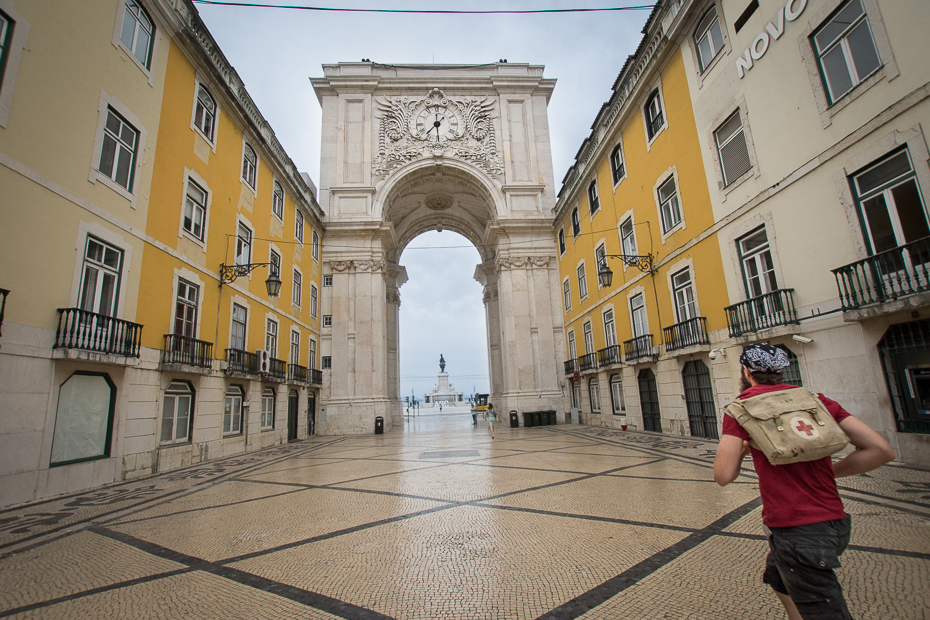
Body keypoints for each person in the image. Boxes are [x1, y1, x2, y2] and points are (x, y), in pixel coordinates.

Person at [714, 343, 895, 620]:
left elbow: (724, 476)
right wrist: (830, 472)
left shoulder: (742, 409)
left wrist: (742, 446)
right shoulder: (817, 400)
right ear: (781, 371)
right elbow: (881, 450)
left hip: (796, 529)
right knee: (778, 577)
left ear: (746, 371)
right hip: (835, 522)